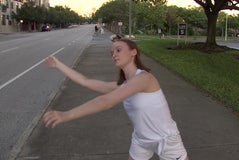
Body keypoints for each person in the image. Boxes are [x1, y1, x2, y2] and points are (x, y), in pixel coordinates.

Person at [43, 38, 189, 160]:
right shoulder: (124, 85)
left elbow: (106, 101)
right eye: (112, 52)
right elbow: (85, 81)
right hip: (141, 139)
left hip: (166, 139)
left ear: (133, 52)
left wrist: (67, 115)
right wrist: (58, 64)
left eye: (118, 50)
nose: (114, 54)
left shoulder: (145, 78)